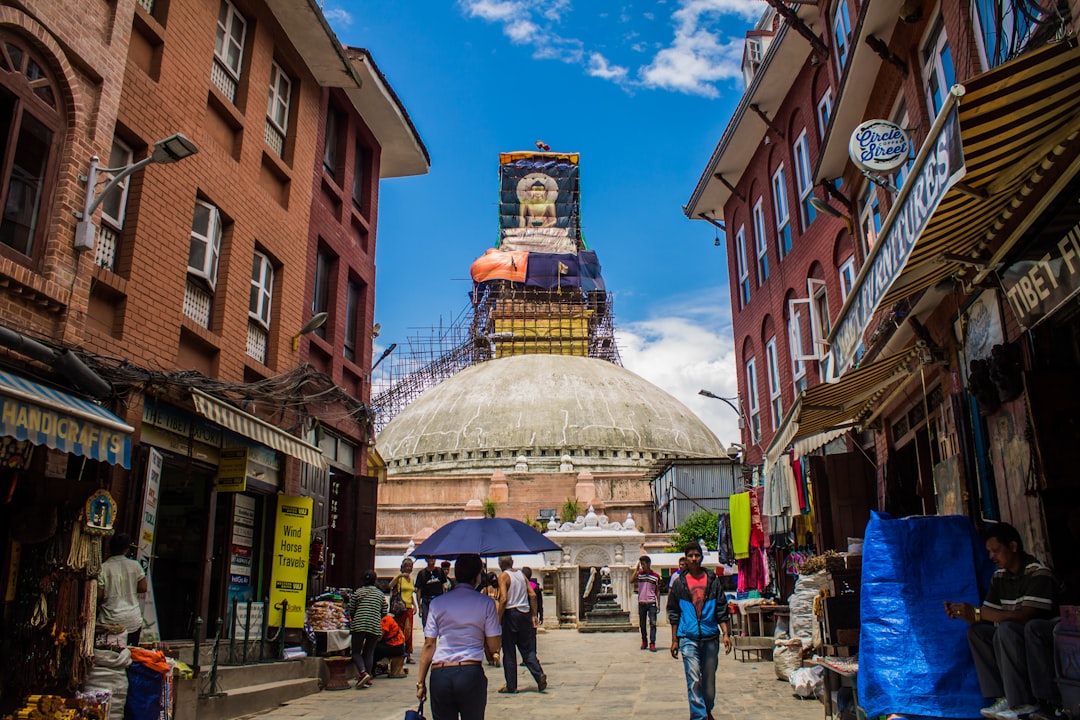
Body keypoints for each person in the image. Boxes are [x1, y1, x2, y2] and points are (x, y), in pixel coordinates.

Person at [944, 522, 1061, 720]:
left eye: (996, 551)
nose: (991, 557)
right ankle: (1003, 696)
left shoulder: (1038, 572)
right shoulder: (999, 577)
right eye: (989, 552)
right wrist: (969, 616)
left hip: (1041, 636)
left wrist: (978, 614)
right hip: (1016, 637)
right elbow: (988, 614)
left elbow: (1025, 616)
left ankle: (1024, 701)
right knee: (978, 633)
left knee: (1008, 629)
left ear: (1013, 547)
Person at [416, 554, 501, 720]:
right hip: (470, 671)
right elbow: (494, 645)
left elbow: (429, 645)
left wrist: (421, 682)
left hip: (440, 672)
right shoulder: (486, 603)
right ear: (478, 576)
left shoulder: (437, 603)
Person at [668, 543, 733, 720]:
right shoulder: (679, 583)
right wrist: (674, 640)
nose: (694, 559)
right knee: (693, 677)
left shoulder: (712, 581)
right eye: (690, 556)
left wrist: (726, 634)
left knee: (709, 680)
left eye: (697, 555)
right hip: (687, 637)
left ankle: (707, 709)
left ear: (701, 557)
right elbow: (673, 612)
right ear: (685, 558)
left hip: (710, 635)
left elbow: (721, 608)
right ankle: (699, 716)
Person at [496, 555, 546, 693]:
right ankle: (538, 674)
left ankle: (511, 685)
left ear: (500, 565)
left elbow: (504, 599)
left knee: (509, 651)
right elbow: (533, 595)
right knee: (527, 649)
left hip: (511, 614)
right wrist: (534, 614)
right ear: (512, 562)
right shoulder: (521, 575)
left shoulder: (503, 577)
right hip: (525, 613)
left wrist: (498, 619)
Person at [97, 533, 147, 646]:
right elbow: (143, 587)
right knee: (130, 655)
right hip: (132, 621)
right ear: (127, 549)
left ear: (110, 548)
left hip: (110, 621)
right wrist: (129, 587)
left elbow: (98, 596)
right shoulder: (135, 566)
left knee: (109, 657)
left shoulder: (104, 568)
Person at [345, 570, 384, 688]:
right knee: (369, 652)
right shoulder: (380, 594)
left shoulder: (358, 592)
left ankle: (363, 672)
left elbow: (352, 609)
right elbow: (384, 612)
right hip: (374, 625)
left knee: (356, 652)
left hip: (359, 625)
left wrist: (355, 617)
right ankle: (368, 677)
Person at [391, 558, 417, 664]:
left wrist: (415, 605)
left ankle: (409, 653)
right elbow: (390, 585)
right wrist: (400, 576)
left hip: (409, 607)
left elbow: (410, 594)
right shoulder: (399, 578)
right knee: (399, 630)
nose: (408, 568)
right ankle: (399, 652)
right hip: (400, 608)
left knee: (409, 631)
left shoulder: (412, 580)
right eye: (406, 566)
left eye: (410, 566)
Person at [634, 555, 660, 651]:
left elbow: (657, 590)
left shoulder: (656, 576)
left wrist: (658, 603)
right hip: (642, 602)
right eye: (641, 564)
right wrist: (636, 569)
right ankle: (644, 640)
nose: (642, 566)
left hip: (651, 602)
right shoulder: (640, 574)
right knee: (642, 624)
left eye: (643, 564)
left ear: (648, 564)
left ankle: (652, 642)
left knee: (653, 623)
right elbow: (631, 581)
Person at [373, 611, 408, 678]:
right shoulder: (388, 618)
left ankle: (371, 671)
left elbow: (379, 637)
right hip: (398, 646)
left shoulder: (386, 619)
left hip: (396, 647)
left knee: (372, 649)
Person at [416, 557, 449, 627]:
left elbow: (444, 585)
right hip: (426, 600)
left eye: (434, 559)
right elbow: (418, 591)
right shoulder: (422, 573)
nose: (432, 561)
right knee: (427, 623)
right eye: (430, 559)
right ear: (426, 560)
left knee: (439, 622)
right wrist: (419, 606)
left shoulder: (439, 571)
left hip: (438, 600)